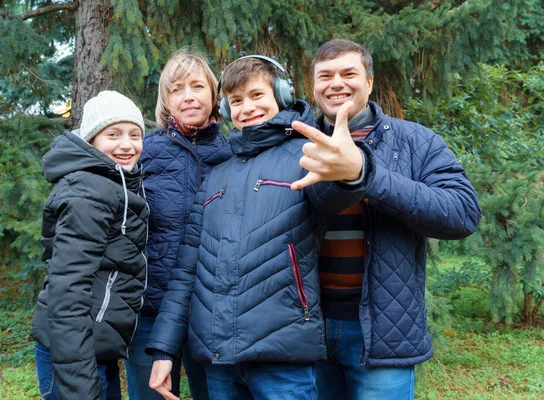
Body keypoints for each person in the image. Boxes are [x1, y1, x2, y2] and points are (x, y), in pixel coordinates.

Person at [146, 55, 375, 400]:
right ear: (225, 110)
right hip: (219, 358)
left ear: (281, 95)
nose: (246, 108)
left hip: (282, 356)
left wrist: (353, 169)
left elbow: (337, 191)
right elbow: (186, 271)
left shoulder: (307, 154)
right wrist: (164, 351)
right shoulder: (217, 175)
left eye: (256, 96)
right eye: (236, 101)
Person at [294, 38, 482, 399]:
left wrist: (366, 173)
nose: (336, 83)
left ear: (369, 82)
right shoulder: (295, 144)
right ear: (314, 86)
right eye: (325, 75)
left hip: (383, 331)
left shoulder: (417, 142)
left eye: (349, 73)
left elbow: (462, 213)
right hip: (305, 330)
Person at [124, 50, 232, 400]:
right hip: (151, 309)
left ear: (214, 94)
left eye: (198, 86)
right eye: (177, 89)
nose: (188, 96)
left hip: (212, 312)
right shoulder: (143, 152)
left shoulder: (234, 153)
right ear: (165, 99)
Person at [30, 90, 149, 400]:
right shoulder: (89, 191)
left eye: (135, 134)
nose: (127, 144)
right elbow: (68, 291)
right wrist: (81, 387)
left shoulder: (115, 185)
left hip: (94, 348)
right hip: (73, 356)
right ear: (92, 140)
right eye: (114, 134)